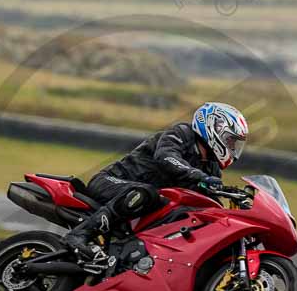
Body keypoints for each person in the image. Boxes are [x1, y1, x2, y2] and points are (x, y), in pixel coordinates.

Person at [64, 102, 249, 262]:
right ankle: (79, 235)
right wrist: (199, 177)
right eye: (231, 141)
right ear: (214, 128)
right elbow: (166, 157)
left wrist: (235, 209)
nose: (232, 148)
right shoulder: (181, 133)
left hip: (145, 202)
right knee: (146, 193)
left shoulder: (211, 167)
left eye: (235, 144)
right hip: (111, 182)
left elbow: (210, 204)